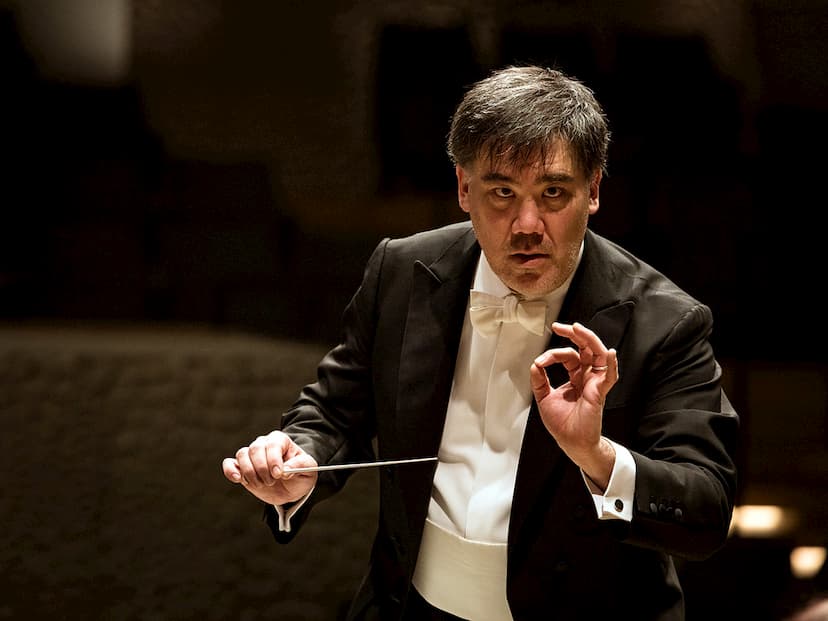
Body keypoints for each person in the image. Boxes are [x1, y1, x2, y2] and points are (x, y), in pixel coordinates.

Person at [222, 65, 739, 620]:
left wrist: (596, 456)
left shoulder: (667, 322)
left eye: (553, 192)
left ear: (593, 191)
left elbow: (705, 512)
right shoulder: (401, 270)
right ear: (464, 189)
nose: (527, 223)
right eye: (502, 192)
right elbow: (336, 410)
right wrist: (300, 456)